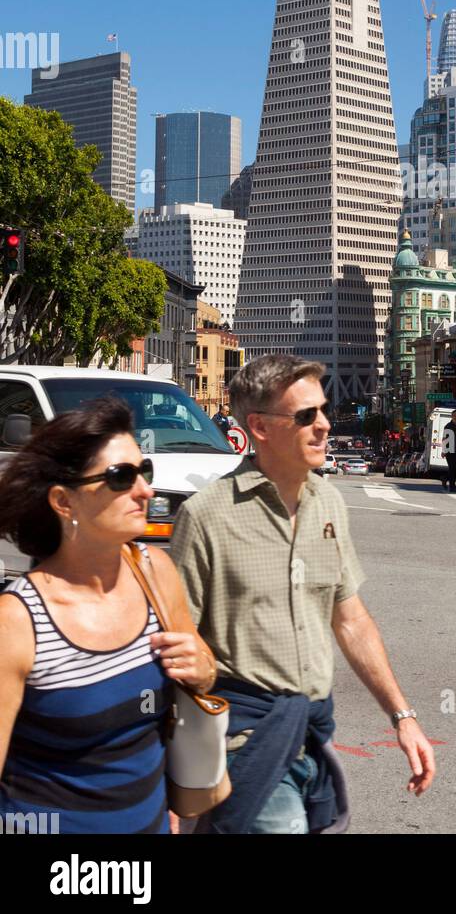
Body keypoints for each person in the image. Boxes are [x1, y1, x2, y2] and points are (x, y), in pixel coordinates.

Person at [169, 354, 436, 834]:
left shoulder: (328, 502)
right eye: (306, 416)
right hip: (245, 737)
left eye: (323, 410)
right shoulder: (207, 515)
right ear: (260, 428)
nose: (325, 426)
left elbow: (350, 618)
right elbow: (177, 645)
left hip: (313, 734)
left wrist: (403, 717)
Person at [0, 398, 215, 834]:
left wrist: (202, 667)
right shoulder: (17, 622)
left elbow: (202, 677)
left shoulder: (155, 572)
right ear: (64, 501)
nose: (146, 491)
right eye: (122, 477)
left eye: (145, 471)